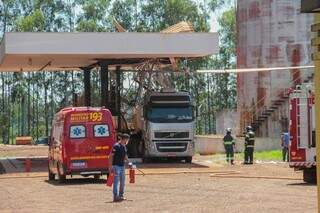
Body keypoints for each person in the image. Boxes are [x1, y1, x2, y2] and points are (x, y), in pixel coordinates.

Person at [108, 133, 130, 202]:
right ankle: (115, 196)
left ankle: (121, 195)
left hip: (122, 166)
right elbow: (111, 156)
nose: (128, 141)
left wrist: (129, 162)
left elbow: (125, 155)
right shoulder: (116, 146)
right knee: (116, 182)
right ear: (125, 139)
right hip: (116, 166)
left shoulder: (124, 146)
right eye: (128, 139)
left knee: (122, 181)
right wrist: (110, 166)